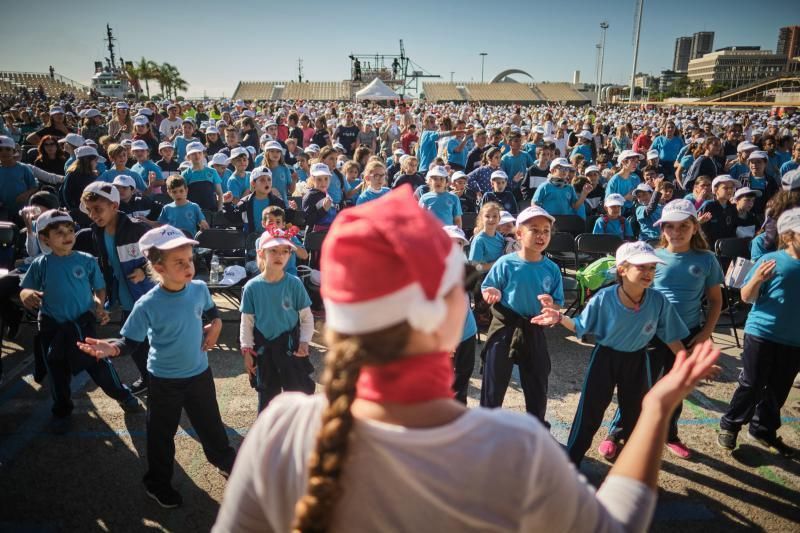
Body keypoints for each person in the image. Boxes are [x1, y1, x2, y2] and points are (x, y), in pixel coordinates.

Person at [78, 225, 237, 508]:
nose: (188, 267)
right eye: (179, 263)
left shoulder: (199, 288)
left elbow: (211, 311)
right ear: (157, 267)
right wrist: (112, 348)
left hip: (200, 374)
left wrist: (217, 325)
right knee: (161, 436)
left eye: (189, 260)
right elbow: (130, 341)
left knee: (211, 424)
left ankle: (225, 461)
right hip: (164, 381)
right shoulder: (147, 304)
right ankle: (157, 483)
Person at [533, 241, 690, 465]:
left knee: (636, 416)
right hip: (604, 359)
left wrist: (685, 361)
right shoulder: (605, 298)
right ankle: (571, 462)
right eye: (641, 267)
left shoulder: (658, 301)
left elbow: (671, 335)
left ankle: (632, 466)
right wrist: (559, 318)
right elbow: (580, 326)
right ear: (622, 269)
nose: (648, 273)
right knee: (589, 413)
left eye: (652, 268)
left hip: (636, 360)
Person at [20, 209, 142, 434]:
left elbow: (99, 288)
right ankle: (62, 410)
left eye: (70, 230)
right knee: (57, 373)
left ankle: (122, 394)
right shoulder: (41, 264)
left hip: (82, 326)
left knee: (100, 366)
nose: (67, 235)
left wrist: (98, 305)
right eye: (59, 232)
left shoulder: (86, 260)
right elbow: (27, 288)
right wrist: (26, 294)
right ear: (44, 239)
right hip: (52, 328)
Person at [718, 207, 800, 458]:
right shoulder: (771, 260)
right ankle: (730, 424)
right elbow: (745, 296)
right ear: (788, 236)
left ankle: (763, 429)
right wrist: (757, 280)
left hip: (794, 339)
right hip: (762, 332)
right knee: (752, 383)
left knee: (779, 387)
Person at [479, 206, 563, 423]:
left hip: (533, 328)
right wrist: (491, 292)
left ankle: (536, 428)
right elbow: (487, 287)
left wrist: (551, 306)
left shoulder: (552, 269)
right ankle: (485, 427)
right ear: (519, 234)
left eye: (546, 230)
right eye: (534, 229)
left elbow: (558, 304)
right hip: (505, 327)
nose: (541, 235)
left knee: (537, 383)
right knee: (494, 382)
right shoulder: (505, 263)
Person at [79, 181, 155, 396]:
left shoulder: (137, 227)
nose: (93, 215)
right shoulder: (97, 232)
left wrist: (143, 269)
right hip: (125, 294)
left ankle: (160, 379)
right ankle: (148, 377)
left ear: (114, 205)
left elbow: (159, 255)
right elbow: (106, 266)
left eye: (98, 209)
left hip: (145, 293)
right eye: (90, 210)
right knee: (135, 342)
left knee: (150, 340)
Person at [240, 225, 315, 412]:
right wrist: (247, 350)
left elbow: (306, 317)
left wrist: (305, 341)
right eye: (273, 251)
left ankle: (300, 434)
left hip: (291, 349)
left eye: (284, 251)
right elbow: (247, 321)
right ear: (261, 253)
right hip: (264, 351)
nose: (279, 256)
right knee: (267, 399)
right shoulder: (252, 287)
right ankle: (268, 437)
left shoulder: (294, 284)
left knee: (298, 397)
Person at [222, 167, 285, 234]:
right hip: (251, 240)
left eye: (269, 179)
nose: (267, 182)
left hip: (271, 240)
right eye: (262, 180)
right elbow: (234, 218)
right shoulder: (245, 202)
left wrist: (292, 210)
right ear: (253, 183)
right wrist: (227, 204)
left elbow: (285, 219)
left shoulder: (278, 202)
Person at [0, 135, 38, 221]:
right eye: (0, 150)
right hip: (3, 211)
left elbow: (34, 187)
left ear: (14, 151)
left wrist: (25, 194)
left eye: (8, 149)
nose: (4, 152)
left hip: (23, 209)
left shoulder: (23, 168)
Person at [698, 175, 741, 248]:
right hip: (709, 247)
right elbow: (694, 222)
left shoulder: (732, 207)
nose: (730, 190)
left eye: (732, 188)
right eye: (725, 188)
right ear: (715, 190)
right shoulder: (708, 205)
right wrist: (699, 221)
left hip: (727, 247)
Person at [182, 142, 223, 211]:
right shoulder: (185, 174)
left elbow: (219, 193)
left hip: (211, 211)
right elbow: (183, 196)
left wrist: (219, 210)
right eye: (193, 153)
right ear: (188, 157)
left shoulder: (212, 171)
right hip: (193, 212)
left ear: (204, 154)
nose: (197, 155)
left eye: (199, 152)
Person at [468, 201, 504, 270]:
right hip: (485, 278)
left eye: (495, 216)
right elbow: (475, 267)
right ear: (482, 219)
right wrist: (497, 264)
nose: (491, 219)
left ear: (499, 219)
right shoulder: (479, 240)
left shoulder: (500, 236)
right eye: (487, 216)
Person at [302, 163, 338, 232]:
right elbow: (307, 220)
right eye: (319, 179)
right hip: (315, 237)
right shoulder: (310, 196)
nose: (323, 182)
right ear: (312, 179)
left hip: (328, 233)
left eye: (326, 179)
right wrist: (323, 210)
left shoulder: (326, 194)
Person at [606, 150, 643, 215]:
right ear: (623, 162)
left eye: (637, 162)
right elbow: (608, 202)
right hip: (619, 214)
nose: (635, 164)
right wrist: (625, 198)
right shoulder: (614, 181)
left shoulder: (636, 178)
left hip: (635, 212)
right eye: (632, 161)